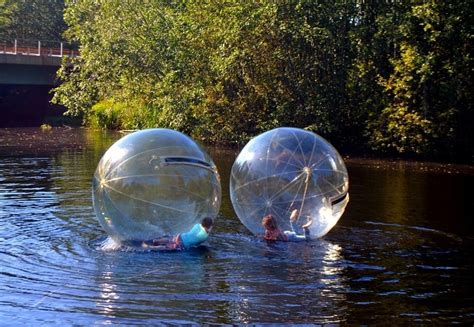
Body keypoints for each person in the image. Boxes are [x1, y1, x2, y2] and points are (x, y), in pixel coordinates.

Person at [144, 217, 213, 250]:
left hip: (181, 236)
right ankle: (149, 247)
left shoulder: (197, 225)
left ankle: (153, 241)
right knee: (167, 247)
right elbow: (197, 242)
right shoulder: (205, 236)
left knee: (168, 240)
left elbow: (194, 232)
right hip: (183, 244)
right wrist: (208, 231)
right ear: (209, 226)